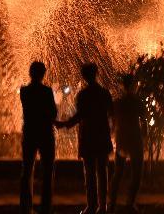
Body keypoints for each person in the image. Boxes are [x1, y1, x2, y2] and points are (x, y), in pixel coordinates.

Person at [58, 63, 113, 214]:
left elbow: (80, 116)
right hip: (102, 136)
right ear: (96, 74)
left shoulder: (83, 95)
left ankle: (92, 205)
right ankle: (102, 206)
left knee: (89, 173)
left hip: (88, 137)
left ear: (84, 76)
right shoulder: (104, 93)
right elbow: (111, 113)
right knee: (102, 172)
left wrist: (64, 124)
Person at [20, 61, 57, 214]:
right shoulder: (47, 91)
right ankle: (46, 207)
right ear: (43, 74)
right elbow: (53, 113)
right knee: (48, 171)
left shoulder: (24, 91)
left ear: (30, 73)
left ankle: (25, 206)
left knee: (27, 169)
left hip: (29, 132)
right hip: (45, 133)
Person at [109, 73, 144, 214]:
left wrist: (113, 135)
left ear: (122, 86)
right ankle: (130, 203)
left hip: (122, 139)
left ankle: (112, 203)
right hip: (135, 139)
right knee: (136, 173)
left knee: (118, 172)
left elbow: (112, 122)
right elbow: (145, 120)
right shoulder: (137, 103)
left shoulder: (117, 103)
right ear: (134, 86)